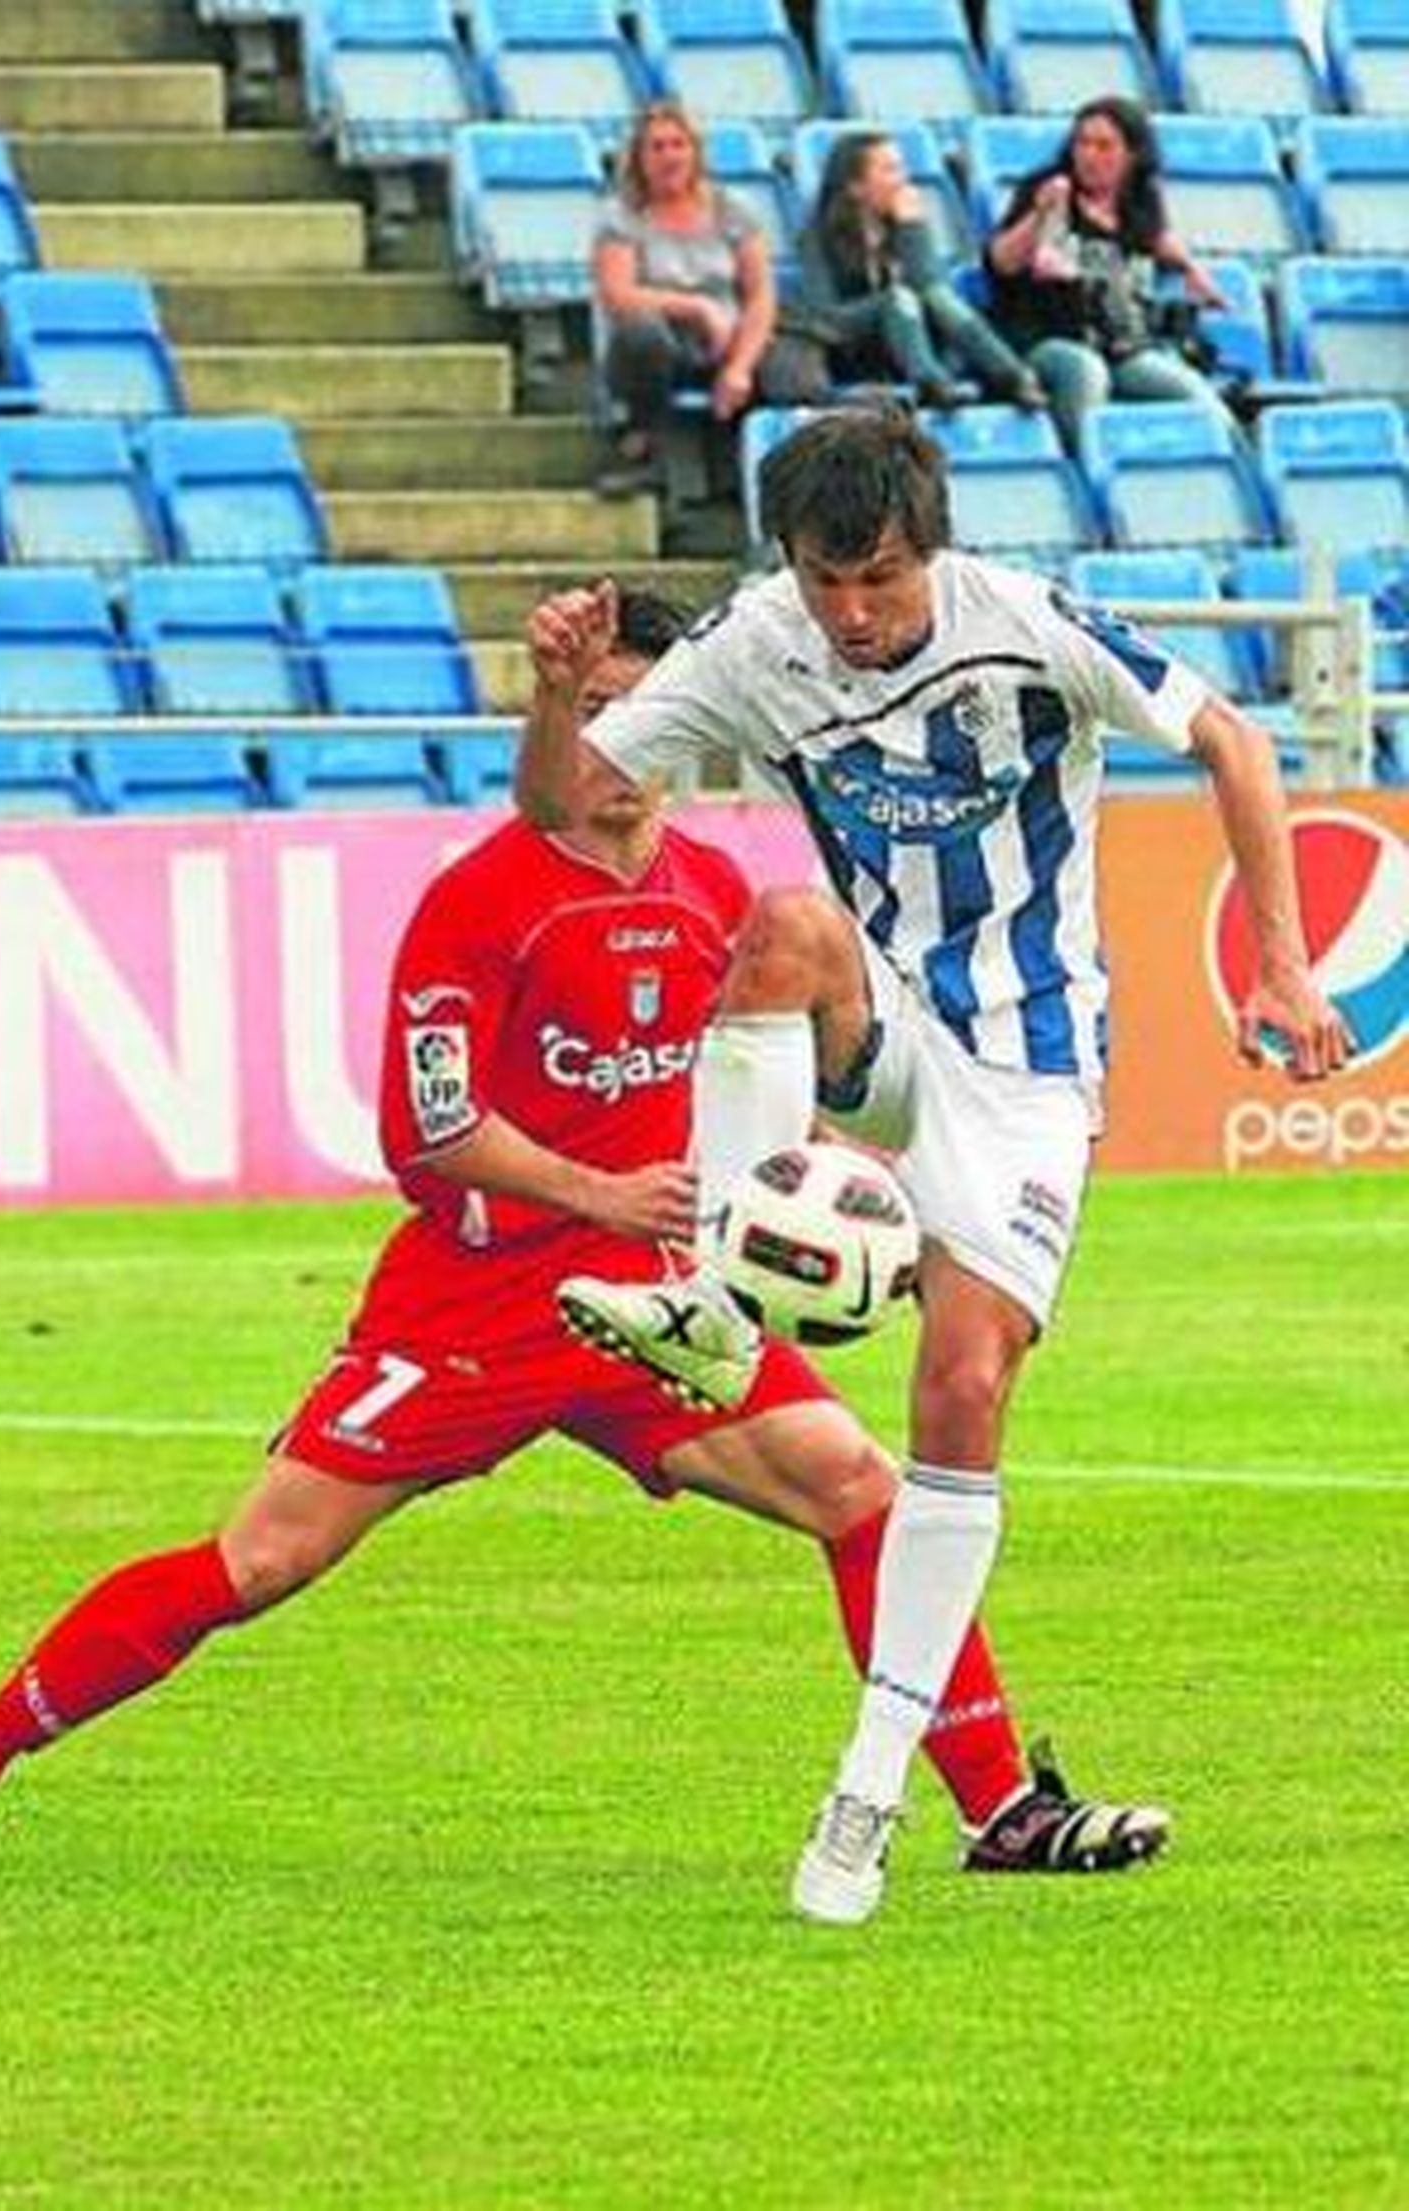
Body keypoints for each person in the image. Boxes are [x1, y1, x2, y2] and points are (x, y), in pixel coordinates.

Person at [0, 587, 1165, 1892]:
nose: (619, 752)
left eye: (641, 718)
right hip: (475, 1304)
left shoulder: (716, 892)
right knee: (261, 1558)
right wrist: (604, 1196)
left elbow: (763, 1105)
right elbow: (428, 1134)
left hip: (657, 1307)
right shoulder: (481, 900)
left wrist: (831, 1182)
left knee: (860, 1489)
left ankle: (998, 1807)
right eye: (591, 718)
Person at [516, 409, 1352, 1927]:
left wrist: (1284, 965)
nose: (852, 615)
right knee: (783, 926)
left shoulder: (1021, 623)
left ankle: (873, 1782)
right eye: (826, 581)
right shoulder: (760, 641)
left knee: (959, 1389)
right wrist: (561, 691)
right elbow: (575, 803)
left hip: (1031, 1063)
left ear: (932, 548)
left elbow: (1230, 734)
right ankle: (714, 1295)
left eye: (881, 580)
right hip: (887, 1024)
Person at [593, 102, 827, 496]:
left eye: (678, 145)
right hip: (665, 342)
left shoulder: (733, 210)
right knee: (640, 335)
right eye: (657, 147)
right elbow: (618, 294)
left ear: (695, 151)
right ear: (639, 158)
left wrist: (739, 365)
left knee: (790, 369)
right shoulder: (620, 216)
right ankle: (649, 451)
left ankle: (786, 480)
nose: (669, 156)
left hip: (730, 338)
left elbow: (760, 294)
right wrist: (697, 308)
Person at [984, 96, 1231, 452]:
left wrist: (1191, 268)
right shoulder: (1050, 191)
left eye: (1104, 146)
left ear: (1132, 155)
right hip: (1047, 341)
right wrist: (1037, 217)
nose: (1089, 155)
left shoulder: (1139, 203)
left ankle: (1237, 468)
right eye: (1082, 143)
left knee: (1196, 395)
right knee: (1086, 372)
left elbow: (1160, 239)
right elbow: (1000, 262)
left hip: (1121, 346)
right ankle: (1085, 478)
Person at [800, 131, 1047, 414]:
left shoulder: (908, 226)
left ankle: (1014, 376)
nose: (903, 180)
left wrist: (910, 229)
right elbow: (825, 318)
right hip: (857, 350)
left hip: (920, 346)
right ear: (856, 186)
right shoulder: (816, 238)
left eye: (902, 168)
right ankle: (933, 382)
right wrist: (885, 303)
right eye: (889, 170)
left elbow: (927, 284)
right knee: (899, 298)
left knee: (936, 295)